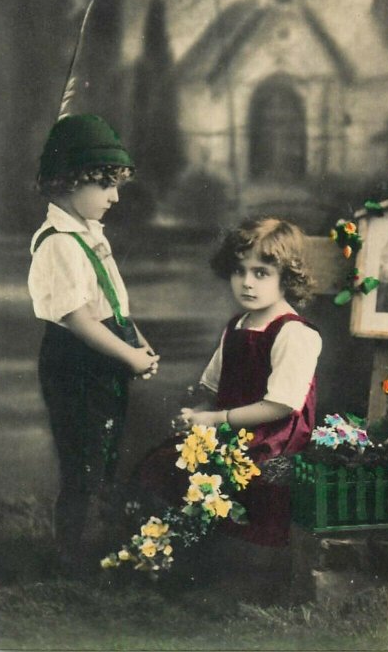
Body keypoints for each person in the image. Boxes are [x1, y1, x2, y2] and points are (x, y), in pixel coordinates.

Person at [137, 217, 322, 555]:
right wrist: (197, 414)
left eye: (261, 273)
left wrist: (213, 421)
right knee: (165, 463)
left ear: (287, 276)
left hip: (272, 437)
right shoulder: (237, 325)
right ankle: (182, 552)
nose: (247, 283)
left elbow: (281, 405)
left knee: (241, 478)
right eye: (240, 271)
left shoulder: (295, 333)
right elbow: (213, 385)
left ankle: (243, 562)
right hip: (229, 428)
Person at [28, 113, 159, 569]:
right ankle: (73, 557)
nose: (115, 196)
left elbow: (111, 306)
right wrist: (127, 354)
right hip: (75, 362)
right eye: (105, 185)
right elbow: (80, 320)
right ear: (69, 182)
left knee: (104, 450)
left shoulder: (87, 235)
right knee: (83, 456)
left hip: (102, 356)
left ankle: (98, 546)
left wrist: (137, 344)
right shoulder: (59, 243)